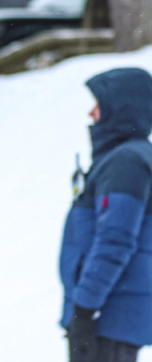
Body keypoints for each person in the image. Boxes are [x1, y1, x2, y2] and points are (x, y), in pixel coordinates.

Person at [59, 67, 152, 362]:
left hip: (107, 318)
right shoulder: (124, 158)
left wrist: (85, 309)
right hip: (110, 318)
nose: (91, 113)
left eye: (98, 104)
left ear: (120, 107)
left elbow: (115, 240)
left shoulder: (126, 162)